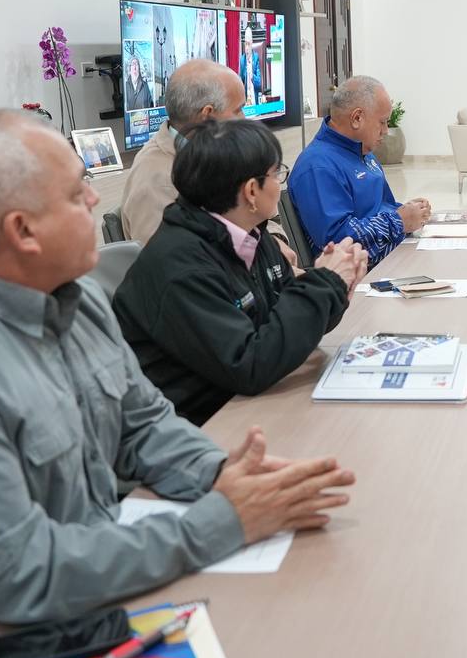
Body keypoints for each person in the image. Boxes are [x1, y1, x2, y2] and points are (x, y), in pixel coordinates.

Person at [0, 110, 356, 658]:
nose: (97, 202)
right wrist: (222, 520)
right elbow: (16, 575)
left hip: (99, 577)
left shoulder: (76, 298)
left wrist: (226, 477)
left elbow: (143, 423)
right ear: (22, 231)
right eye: (78, 194)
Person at [113, 120, 367, 426]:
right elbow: (250, 365)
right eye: (276, 174)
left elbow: (283, 325)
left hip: (241, 403)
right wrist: (324, 283)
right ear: (250, 191)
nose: (279, 183)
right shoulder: (182, 266)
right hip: (196, 426)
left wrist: (338, 286)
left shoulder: (251, 234)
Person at [289, 75, 432, 265]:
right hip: (363, 277)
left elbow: (381, 207)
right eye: (382, 122)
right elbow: (338, 243)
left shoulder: (362, 151)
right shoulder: (318, 167)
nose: (386, 130)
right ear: (357, 118)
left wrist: (409, 211)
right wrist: (399, 221)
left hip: (395, 257)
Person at [121, 59, 245, 244]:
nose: (244, 119)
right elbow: (170, 266)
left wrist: (275, 243)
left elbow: (262, 215)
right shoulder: (157, 181)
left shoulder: (222, 152)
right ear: (208, 115)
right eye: (238, 110)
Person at [239, 27, 261, 106]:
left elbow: (260, 83)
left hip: (255, 97)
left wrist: (252, 76)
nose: (247, 48)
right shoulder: (242, 59)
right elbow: (240, 81)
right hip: (246, 100)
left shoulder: (256, 57)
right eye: (245, 44)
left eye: (248, 44)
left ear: (252, 43)